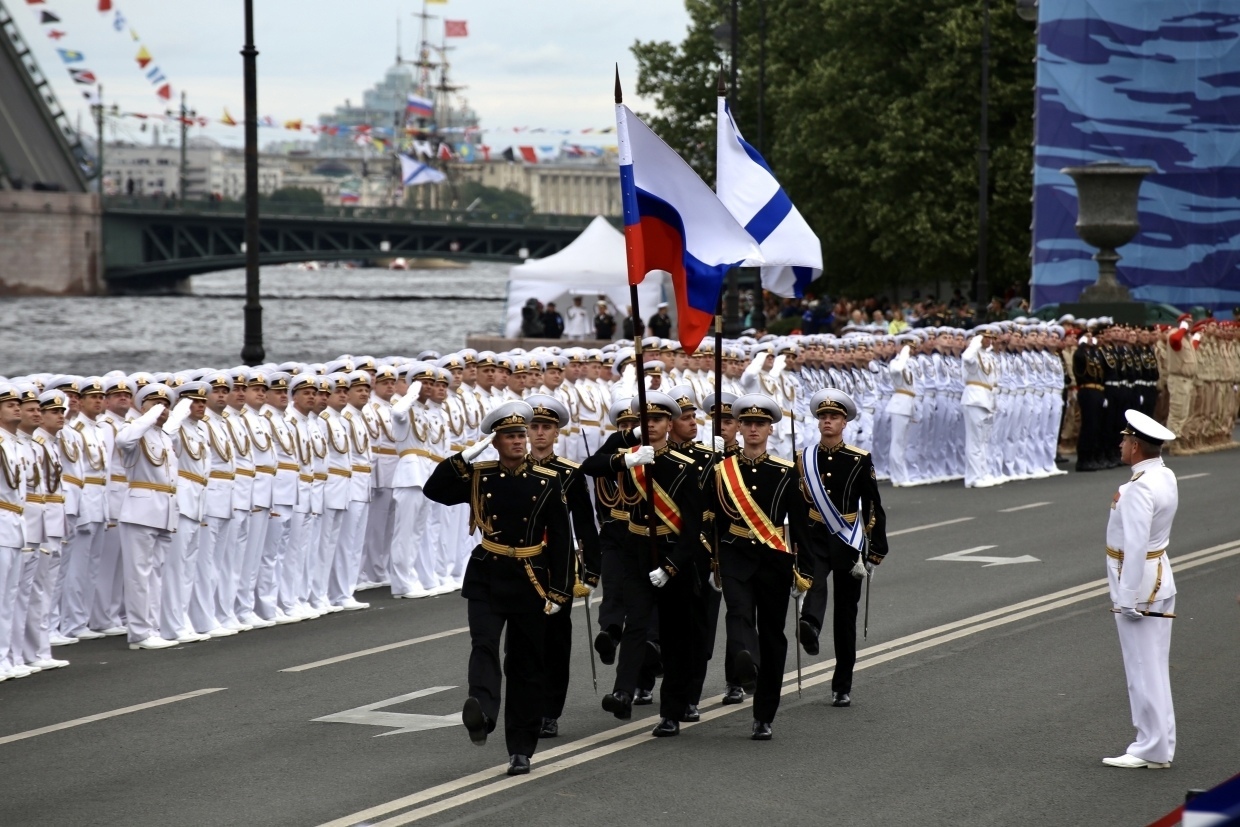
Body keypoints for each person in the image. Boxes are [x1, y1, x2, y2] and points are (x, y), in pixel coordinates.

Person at [423, 400, 574, 777]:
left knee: (526, 666)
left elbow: (560, 539)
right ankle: (483, 713)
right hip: (488, 573)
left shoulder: (548, 480)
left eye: (521, 434)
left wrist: (560, 591)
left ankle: (521, 748)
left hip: (531, 578)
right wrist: (460, 459)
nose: (520, 441)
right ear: (495, 442)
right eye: (510, 435)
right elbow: (434, 490)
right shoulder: (480, 476)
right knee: (484, 645)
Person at [582, 391, 705, 738]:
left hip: (671, 555)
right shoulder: (630, 457)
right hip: (636, 550)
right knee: (635, 625)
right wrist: (627, 454)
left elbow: (692, 528)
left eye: (658, 420)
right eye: (645, 420)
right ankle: (623, 692)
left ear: (670, 424)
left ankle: (671, 712)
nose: (650, 425)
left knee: (675, 636)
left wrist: (670, 567)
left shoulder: (684, 467)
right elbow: (589, 466)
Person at [713, 393, 813, 740]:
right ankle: (744, 660)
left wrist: (807, 570)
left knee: (773, 635)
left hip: (774, 558)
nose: (753, 429)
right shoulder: (722, 470)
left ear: (770, 429)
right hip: (735, 553)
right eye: (747, 423)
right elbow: (709, 517)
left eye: (760, 424)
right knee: (738, 612)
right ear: (738, 428)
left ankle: (764, 714)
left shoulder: (786, 471)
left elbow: (801, 525)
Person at [797, 388, 888, 708]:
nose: (827, 422)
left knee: (846, 615)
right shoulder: (805, 458)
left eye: (833, 417)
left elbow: (873, 505)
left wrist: (875, 549)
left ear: (844, 422)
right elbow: (795, 503)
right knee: (815, 583)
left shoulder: (859, 459)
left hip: (847, 539)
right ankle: (809, 625)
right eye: (823, 417)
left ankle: (842, 683)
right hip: (813, 535)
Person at [1102, 410, 1179, 769]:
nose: (1120, 444)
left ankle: (1150, 748)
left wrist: (1126, 596)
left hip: (1139, 585)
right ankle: (1159, 744)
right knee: (1154, 667)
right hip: (1160, 577)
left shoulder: (1138, 488)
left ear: (1135, 446)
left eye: (1124, 440)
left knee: (1141, 668)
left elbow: (1134, 546)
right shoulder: (1165, 475)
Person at [523, 394, 601, 739]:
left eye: (547, 427)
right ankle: (524, 706)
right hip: (521, 565)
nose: (540, 433)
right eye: (535, 426)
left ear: (557, 433)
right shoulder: (512, 469)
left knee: (555, 641)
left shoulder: (570, 474)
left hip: (558, 567)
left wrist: (591, 570)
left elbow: (586, 524)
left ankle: (549, 710)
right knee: (522, 642)